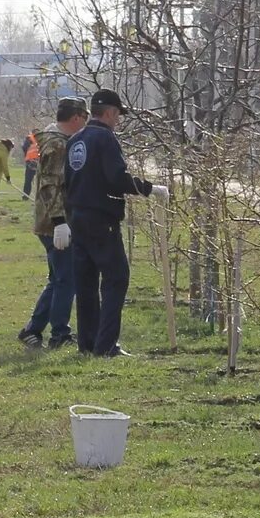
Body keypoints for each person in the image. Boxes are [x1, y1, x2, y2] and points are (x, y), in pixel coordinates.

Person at [62, 89, 167, 357]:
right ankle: (106, 345)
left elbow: (67, 183)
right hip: (101, 218)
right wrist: (149, 188)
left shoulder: (75, 140)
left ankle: (86, 343)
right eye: (118, 114)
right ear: (109, 112)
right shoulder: (105, 138)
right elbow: (116, 177)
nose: (118, 120)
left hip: (77, 217)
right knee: (115, 278)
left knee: (85, 283)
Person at [18, 97, 89, 349]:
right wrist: (60, 222)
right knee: (65, 279)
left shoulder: (56, 141)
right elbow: (50, 187)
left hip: (53, 221)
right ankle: (60, 334)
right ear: (76, 118)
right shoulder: (58, 146)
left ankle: (32, 330)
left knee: (58, 278)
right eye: (85, 118)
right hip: (55, 223)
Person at [21, 129, 41, 198]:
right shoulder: (41, 139)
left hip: (32, 161)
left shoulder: (29, 139)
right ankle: (28, 195)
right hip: (36, 162)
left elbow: (24, 148)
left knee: (28, 180)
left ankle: (26, 195)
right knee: (38, 180)